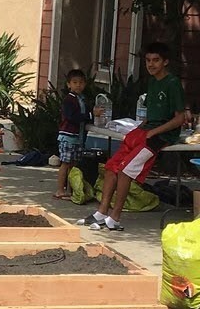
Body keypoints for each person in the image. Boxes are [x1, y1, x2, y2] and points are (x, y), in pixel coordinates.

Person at [79, 42, 186, 232]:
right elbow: (152, 113)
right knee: (112, 166)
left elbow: (180, 118)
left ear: (165, 62)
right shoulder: (152, 82)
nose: (151, 64)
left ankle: (115, 217)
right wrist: (141, 127)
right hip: (145, 130)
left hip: (161, 136)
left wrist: (155, 131)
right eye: (148, 60)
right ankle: (102, 212)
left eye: (156, 60)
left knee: (126, 171)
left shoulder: (173, 83)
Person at [55, 68, 89, 200]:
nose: (78, 85)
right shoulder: (69, 100)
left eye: (81, 82)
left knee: (73, 165)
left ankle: (71, 189)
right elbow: (72, 117)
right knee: (65, 163)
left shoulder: (82, 99)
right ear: (69, 84)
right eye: (75, 82)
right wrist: (88, 116)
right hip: (68, 136)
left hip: (78, 138)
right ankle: (60, 189)